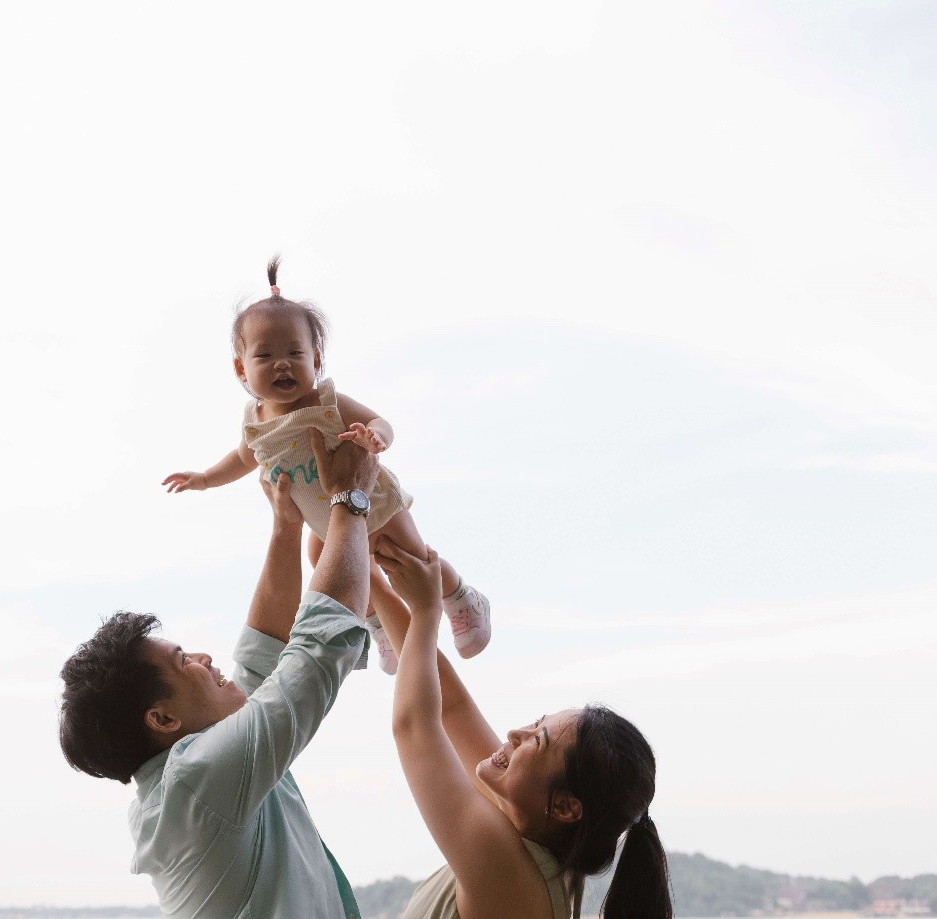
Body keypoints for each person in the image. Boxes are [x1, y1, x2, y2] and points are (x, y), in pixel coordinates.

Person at [59, 429, 380, 919]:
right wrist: (350, 500)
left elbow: (261, 658)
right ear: (162, 719)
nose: (205, 659)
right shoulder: (197, 781)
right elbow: (316, 653)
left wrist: (285, 528)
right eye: (183, 660)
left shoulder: (190, 773)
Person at [162, 256, 490, 674]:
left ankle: (461, 598)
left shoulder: (324, 402)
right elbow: (242, 458)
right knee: (326, 561)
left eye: (295, 352)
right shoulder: (255, 422)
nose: (282, 363)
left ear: (316, 361)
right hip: (327, 520)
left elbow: (380, 420)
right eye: (265, 355)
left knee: (411, 560)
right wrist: (206, 478)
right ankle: (378, 625)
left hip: (373, 504)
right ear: (240, 368)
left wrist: (376, 438)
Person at [371, 538, 673, 919]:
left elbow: (414, 727)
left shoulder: (512, 876)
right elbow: (454, 709)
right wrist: (377, 587)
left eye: (538, 740)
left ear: (565, 806)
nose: (515, 734)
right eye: (536, 723)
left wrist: (427, 610)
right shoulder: (532, 832)